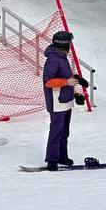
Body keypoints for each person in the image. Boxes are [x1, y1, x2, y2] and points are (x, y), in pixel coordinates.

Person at [41, 30, 87, 169]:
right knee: (56, 131)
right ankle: (52, 160)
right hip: (57, 102)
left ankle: (62, 156)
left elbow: (64, 76)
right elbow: (48, 82)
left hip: (65, 100)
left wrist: (77, 80)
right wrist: (67, 82)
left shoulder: (61, 57)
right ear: (65, 44)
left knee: (64, 131)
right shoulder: (53, 60)